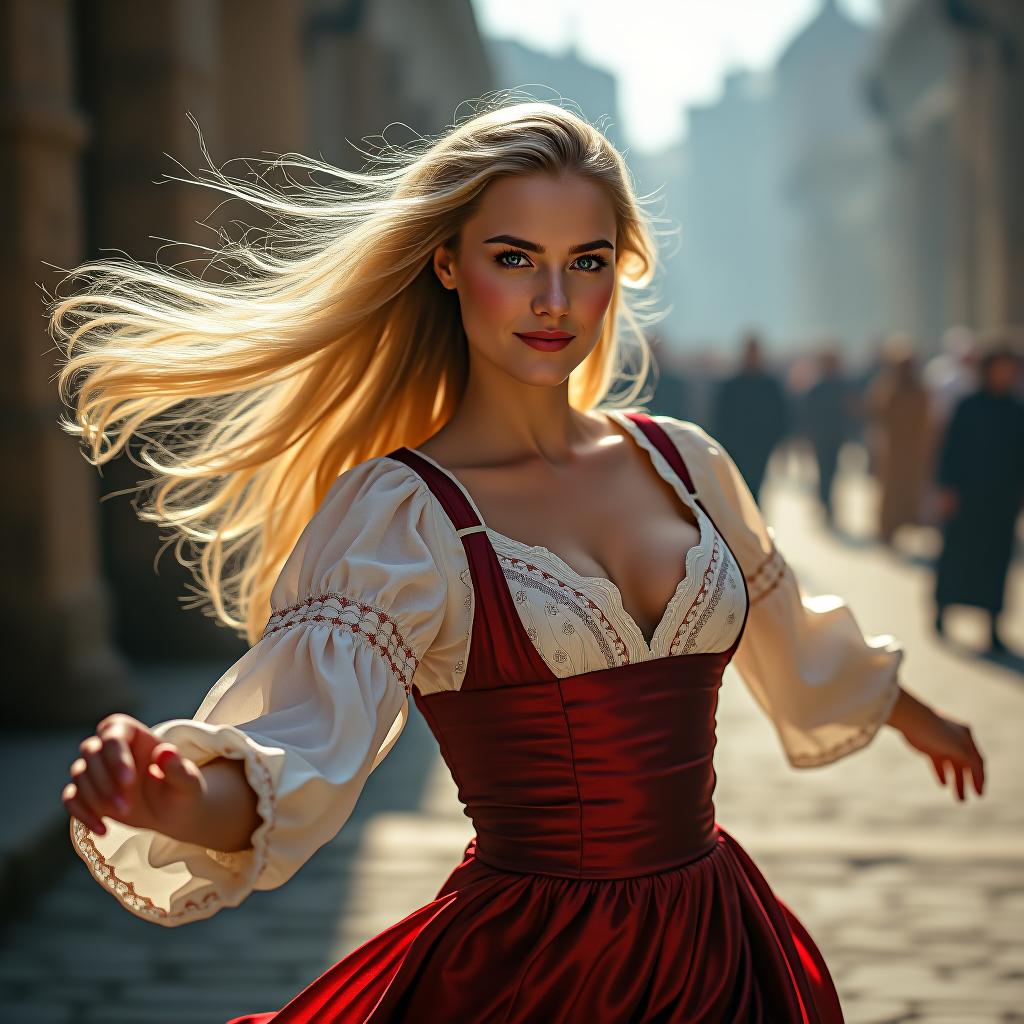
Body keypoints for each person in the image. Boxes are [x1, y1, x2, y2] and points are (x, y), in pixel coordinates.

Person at [52, 100, 985, 1023]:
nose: (554, 301)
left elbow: (795, 640)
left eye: (587, 262)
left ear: (619, 273)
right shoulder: (401, 518)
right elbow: (304, 752)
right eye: (515, 259)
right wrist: (175, 796)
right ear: (447, 264)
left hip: (721, 949)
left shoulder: (687, 462)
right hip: (532, 974)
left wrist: (919, 713)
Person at [933, 345, 1024, 654]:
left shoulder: (1016, 408)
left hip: (1001, 500)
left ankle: (993, 625)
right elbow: (949, 450)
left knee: (995, 563)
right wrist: (945, 488)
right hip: (966, 498)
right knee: (957, 556)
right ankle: (942, 610)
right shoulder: (967, 406)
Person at [864, 336, 934, 546]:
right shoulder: (888, 387)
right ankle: (887, 529)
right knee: (890, 492)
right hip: (892, 450)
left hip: (913, 450)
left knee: (909, 491)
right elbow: (876, 412)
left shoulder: (920, 389)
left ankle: (906, 523)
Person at [710, 331, 790, 506]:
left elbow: (781, 415)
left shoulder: (770, 385)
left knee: (757, 485)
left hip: (762, 445)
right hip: (737, 445)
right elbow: (721, 416)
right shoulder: (731, 385)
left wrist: (779, 441)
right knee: (739, 486)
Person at [801, 345, 856, 527]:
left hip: (834, 435)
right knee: (824, 470)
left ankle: (828, 503)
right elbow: (809, 413)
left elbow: (849, 410)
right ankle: (825, 502)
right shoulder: (818, 386)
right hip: (822, 436)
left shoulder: (841, 385)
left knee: (832, 470)